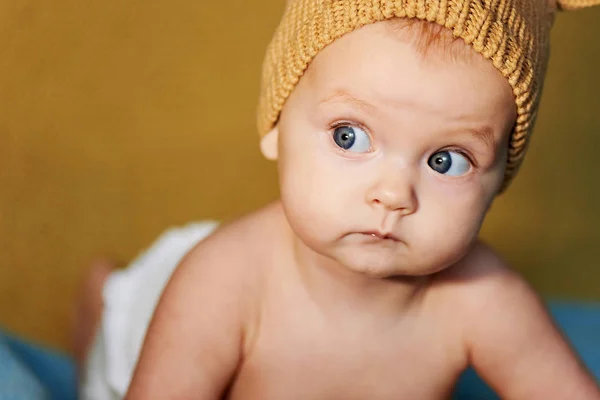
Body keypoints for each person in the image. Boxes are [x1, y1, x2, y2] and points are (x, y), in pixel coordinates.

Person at [74, 0, 600, 398]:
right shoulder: (223, 282)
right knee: (107, 365)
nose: (393, 194)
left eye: (447, 160)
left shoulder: (482, 297)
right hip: (161, 346)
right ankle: (103, 304)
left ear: (498, 178)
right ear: (277, 123)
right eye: (350, 136)